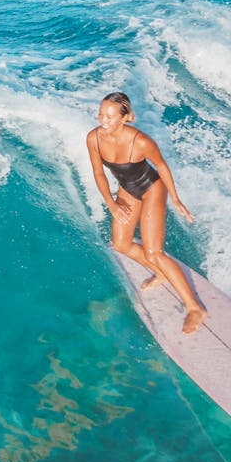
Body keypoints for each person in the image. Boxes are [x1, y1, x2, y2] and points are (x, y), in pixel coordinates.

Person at [86, 92, 207, 334]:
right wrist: (111, 203)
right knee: (120, 244)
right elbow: (99, 173)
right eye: (101, 113)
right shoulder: (94, 138)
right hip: (127, 189)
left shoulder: (140, 141)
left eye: (110, 116)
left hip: (151, 189)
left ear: (125, 118)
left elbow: (161, 166)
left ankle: (195, 308)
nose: (103, 119)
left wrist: (175, 199)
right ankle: (162, 274)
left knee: (154, 252)